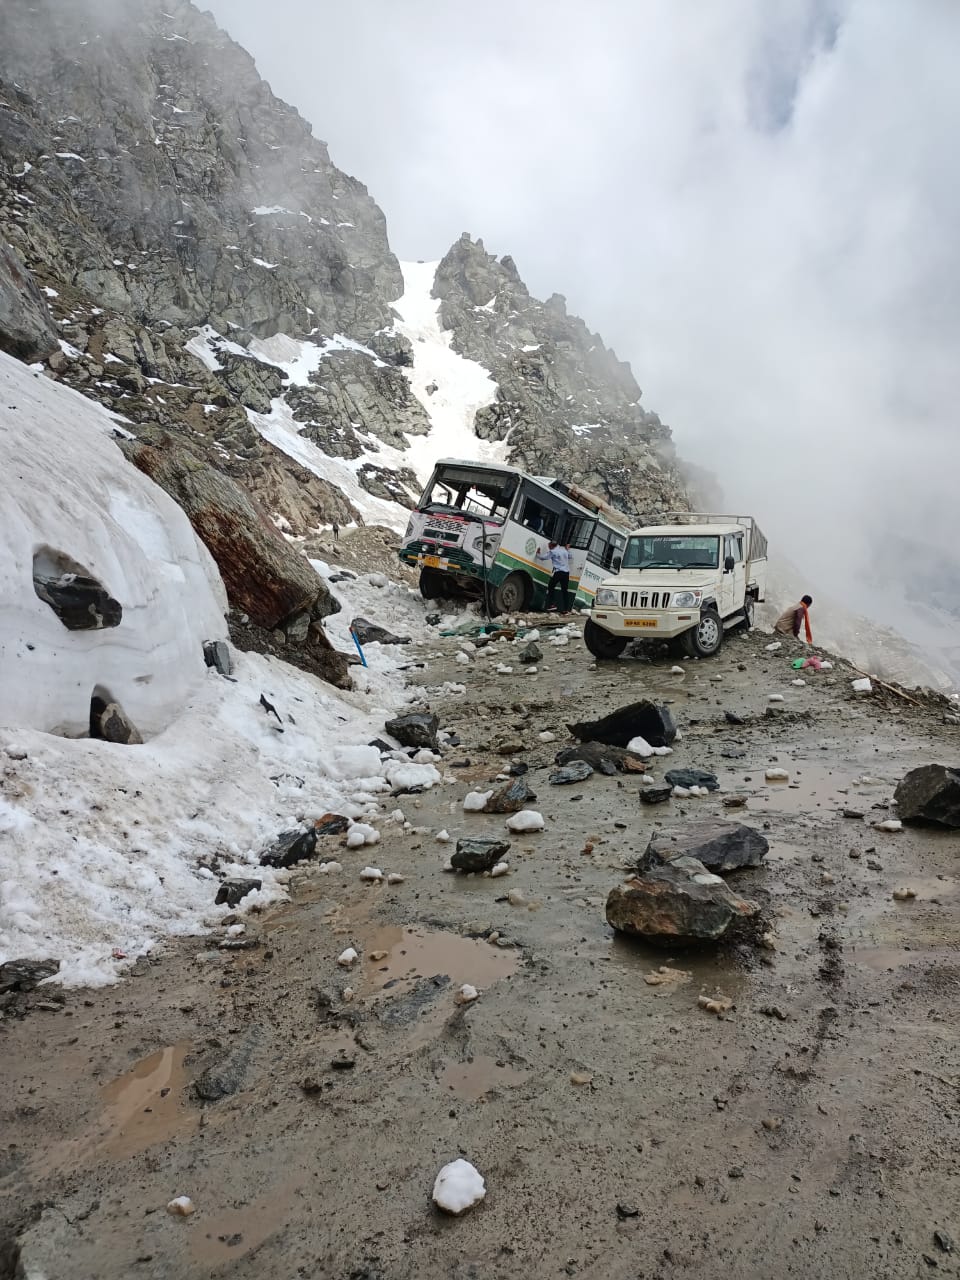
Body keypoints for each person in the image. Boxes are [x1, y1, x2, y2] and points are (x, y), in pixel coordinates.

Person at [536, 540, 572, 613]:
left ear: (552, 546)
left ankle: (553, 605)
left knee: (551, 587)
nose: (549, 548)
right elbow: (570, 556)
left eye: (549, 546)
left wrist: (538, 554)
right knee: (565, 591)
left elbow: (543, 558)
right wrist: (567, 550)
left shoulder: (552, 552)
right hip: (566, 573)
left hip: (558, 572)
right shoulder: (564, 550)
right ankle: (566, 609)